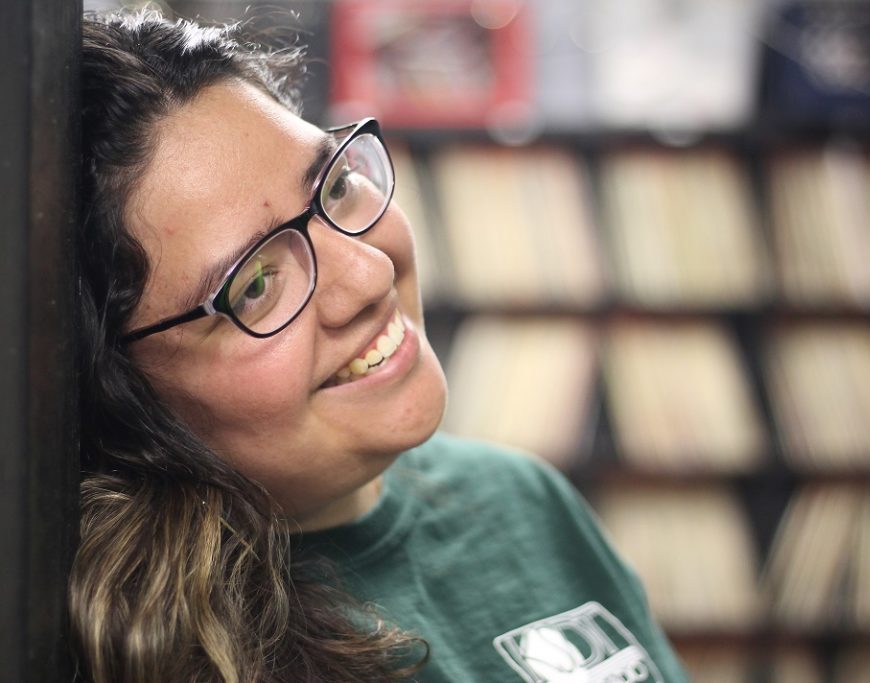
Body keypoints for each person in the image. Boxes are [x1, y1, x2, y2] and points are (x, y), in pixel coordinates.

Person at [74, 8, 690, 682]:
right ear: (125, 394)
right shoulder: (149, 656)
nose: (368, 274)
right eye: (254, 285)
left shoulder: (519, 498)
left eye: (335, 187)